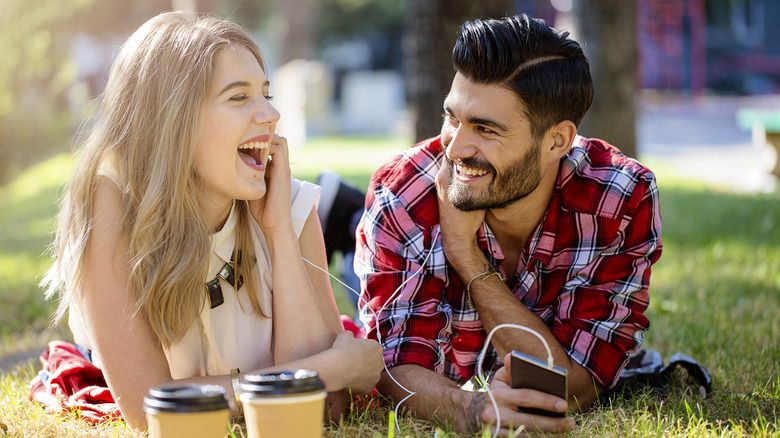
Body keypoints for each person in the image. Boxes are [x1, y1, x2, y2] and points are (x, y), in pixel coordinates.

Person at [41, 11, 383, 431]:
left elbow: (327, 410)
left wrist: (278, 232)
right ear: (172, 121)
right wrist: (327, 370)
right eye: (239, 98)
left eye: (266, 94)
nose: (270, 115)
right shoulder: (109, 206)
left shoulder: (290, 206)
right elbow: (150, 412)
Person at [355, 14, 662, 436]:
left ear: (558, 141)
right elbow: (391, 367)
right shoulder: (404, 192)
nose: (457, 147)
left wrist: (466, 255)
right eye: (452, 118)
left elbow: (576, 385)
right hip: (395, 249)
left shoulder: (618, 199)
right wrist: (471, 408)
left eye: (485, 129)